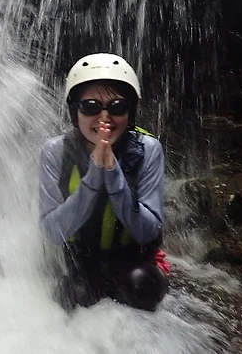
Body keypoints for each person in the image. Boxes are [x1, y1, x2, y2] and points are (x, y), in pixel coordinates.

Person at [39, 53, 170, 312]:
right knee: (71, 296)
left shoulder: (148, 149)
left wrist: (112, 173)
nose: (104, 118)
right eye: (90, 106)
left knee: (142, 286)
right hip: (81, 262)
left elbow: (147, 231)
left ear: (130, 112)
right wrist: (95, 175)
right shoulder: (55, 151)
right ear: (74, 111)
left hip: (133, 260)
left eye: (117, 106)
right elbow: (53, 232)